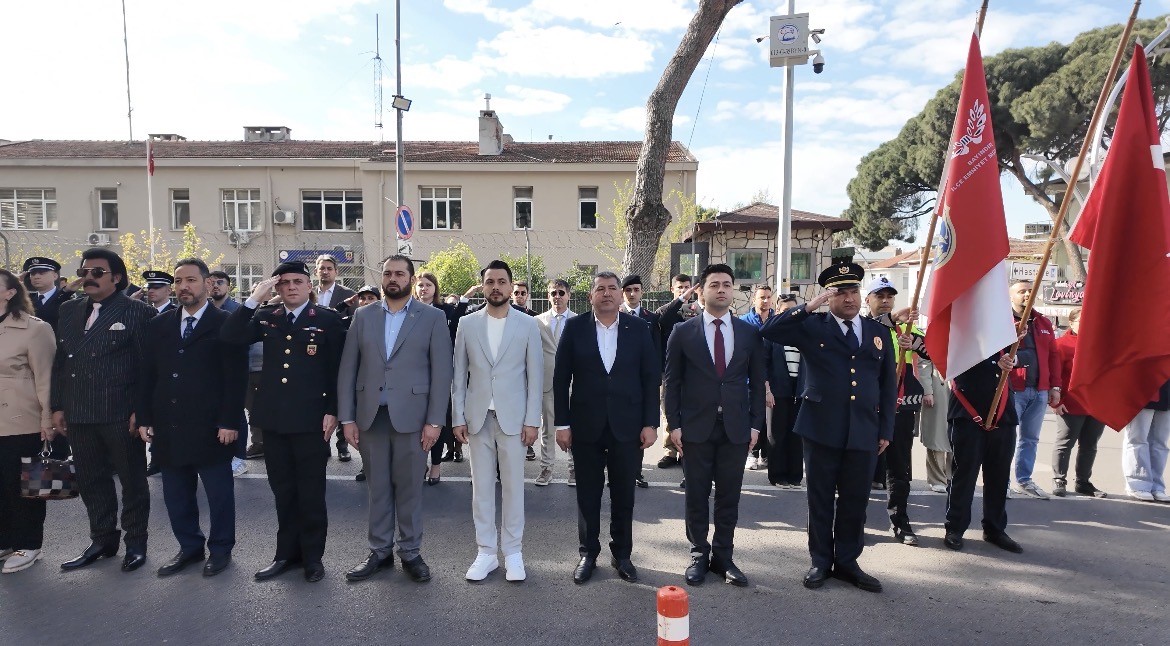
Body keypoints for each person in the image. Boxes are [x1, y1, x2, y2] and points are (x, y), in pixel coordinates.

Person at [760, 262, 896, 593]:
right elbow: (770, 331)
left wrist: (886, 429)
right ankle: (820, 561)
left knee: (855, 500)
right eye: (841, 293)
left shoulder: (877, 332)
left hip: (864, 428)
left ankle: (848, 562)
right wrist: (809, 306)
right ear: (829, 295)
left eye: (854, 292)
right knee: (820, 499)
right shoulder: (813, 325)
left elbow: (888, 384)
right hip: (821, 426)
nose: (849, 299)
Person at [221, 261, 346, 583]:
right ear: (276, 287)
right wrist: (252, 300)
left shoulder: (328, 321)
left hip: (310, 421)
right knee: (283, 492)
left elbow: (338, 371)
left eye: (297, 281)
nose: (291, 287)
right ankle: (285, 555)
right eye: (284, 282)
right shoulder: (266, 317)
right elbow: (230, 337)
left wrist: (334, 409)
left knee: (311, 494)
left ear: (309, 286)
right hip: (274, 420)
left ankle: (312, 558)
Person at [337, 255, 452, 584]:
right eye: (387, 273)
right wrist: (347, 418)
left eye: (399, 273)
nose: (392, 278)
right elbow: (348, 369)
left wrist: (435, 421)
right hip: (371, 417)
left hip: (413, 419)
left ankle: (411, 552)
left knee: (410, 489)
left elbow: (442, 372)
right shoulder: (363, 315)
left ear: (412, 279)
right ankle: (380, 550)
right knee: (378, 488)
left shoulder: (431, 317)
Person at [137, 259, 246, 577]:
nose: (184, 286)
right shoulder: (160, 324)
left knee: (219, 495)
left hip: (212, 427)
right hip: (170, 425)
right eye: (179, 281)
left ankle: (221, 549)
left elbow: (235, 379)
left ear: (208, 284)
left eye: (191, 280)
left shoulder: (225, 322)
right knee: (176, 495)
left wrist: (229, 421)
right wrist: (144, 417)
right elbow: (149, 374)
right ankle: (189, 547)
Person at [53, 248, 156, 573]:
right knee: (91, 480)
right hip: (79, 412)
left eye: (97, 272)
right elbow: (61, 361)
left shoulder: (137, 312)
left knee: (132, 481)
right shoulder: (69, 310)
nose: (88, 277)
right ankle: (102, 539)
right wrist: (58, 405)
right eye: (85, 271)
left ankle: (136, 542)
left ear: (116, 278)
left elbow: (147, 368)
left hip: (119, 413)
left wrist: (142, 411)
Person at [665, 263, 765, 587]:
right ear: (701, 291)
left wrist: (755, 426)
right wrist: (673, 425)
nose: (721, 289)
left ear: (732, 290)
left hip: (736, 429)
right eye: (714, 285)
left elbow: (758, 383)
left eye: (726, 284)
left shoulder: (749, 333)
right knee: (696, 495)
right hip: (695, 429)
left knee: (729, 497)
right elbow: (672, 381)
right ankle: (698, 554)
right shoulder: (683, 332)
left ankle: (724, 557)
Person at [556, 272, 659, 584]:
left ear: (621, 294)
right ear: (591, 296)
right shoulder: (575, 328)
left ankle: (622, 554)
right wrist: (562, 424)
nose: (606, 293)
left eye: (612, 288)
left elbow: (650, 378)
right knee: (587, 493)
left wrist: (651, 422)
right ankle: (588, 553)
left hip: (627, 427)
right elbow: (561, 380)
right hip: (585, 426)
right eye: (600, 289)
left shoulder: (639, 328)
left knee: (624, 493)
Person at [451, 260, 543, 582]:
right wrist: (457, 416)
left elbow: (536, 375)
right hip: (477, 419)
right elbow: (458, 374)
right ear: (484, 286)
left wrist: (533, 420)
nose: (496, 287)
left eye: (502, 281)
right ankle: (486, 552)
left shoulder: (528, 325)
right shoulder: (467, 324)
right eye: (490, 282)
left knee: (514, 488)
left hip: (514, 420)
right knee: (481, 490)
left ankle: (514, 553)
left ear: (510, 285)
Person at [863, 277, 927, 547]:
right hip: (866, 408)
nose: (886, 300)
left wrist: (913, 344)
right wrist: (890, 320)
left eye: (890, 296)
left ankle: (900, 522)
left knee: (899, 469)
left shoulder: (907, 328)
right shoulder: (863, 325)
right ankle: (852, 523)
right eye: (880, 295)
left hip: (901, 407)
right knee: (859, 468)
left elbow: (933, 351)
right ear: (868, 299)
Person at [0, 269, 57, 573]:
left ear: (10, 292)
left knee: (23, 486)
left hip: (22, 419)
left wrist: (47, 420)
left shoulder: (35, 329)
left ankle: (28, 543)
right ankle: (5, 540)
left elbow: (45, 378)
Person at [944, 351, 1024, 554]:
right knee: (964, 474)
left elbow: (1027, 353)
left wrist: (1013, 358)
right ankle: (955, 527)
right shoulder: (965, 327)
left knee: (999, 476)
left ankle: (995, 528)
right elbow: (950, 356)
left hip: (1003, 413)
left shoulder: (1006, 330)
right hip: (967, 411)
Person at [415, 271, 475, 479]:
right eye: (421, 285)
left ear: (435, 289)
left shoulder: (444, 310)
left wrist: (465, 298)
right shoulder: (409, 311)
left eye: (428, 285)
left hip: (440, 372)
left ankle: (436, 465)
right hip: (416, 374)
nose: (424, 289)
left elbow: (457, 320)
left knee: (436, 419)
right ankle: (420, 463)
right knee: (416, 421)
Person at [1007, 280, 1062, 499]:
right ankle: (1002, 482)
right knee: (1007, 438)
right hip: (1013, 389)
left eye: (1030, 290)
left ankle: (1024, 480)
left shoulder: (1043, 322)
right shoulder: (1003, 321)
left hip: (1039, 390)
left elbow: (1053, 356)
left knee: (1030, 438)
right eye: (1022, 291)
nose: (1027, 294)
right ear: (1011, 296)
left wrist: (1054, 386)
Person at [1049, 308, 1108, 498]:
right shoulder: (1061, 345)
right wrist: (1056, 403)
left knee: (1090, 445)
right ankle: (1059, 479)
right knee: (1065, 442)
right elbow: (1054, 376)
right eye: (1083, 320)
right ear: (1072, 322)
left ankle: (1083, 482)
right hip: (1070, 404)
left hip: (1096, 404)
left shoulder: (1101, 345)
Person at [655, 273, 700, 471]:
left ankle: (686, 450)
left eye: (687, 287)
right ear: (673, 289)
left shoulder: (697, 309)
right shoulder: (666, 310)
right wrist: (680, 300)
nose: (684, 290)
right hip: (669, 370)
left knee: (690, 409)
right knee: (669, 409)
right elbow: (660, 320)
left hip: (693, 370)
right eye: (680, 287)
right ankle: (670, 451)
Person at [535, 279, 576, 486]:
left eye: (561, 293)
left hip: (574, 383)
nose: (557, 297)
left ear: (568, 295)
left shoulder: (579, 321)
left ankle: (574, 469)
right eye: (553, 293)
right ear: (548, 296)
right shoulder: (538, 321)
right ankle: (546, 469)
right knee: (548, 428)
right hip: (547, 382)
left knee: (575, 426)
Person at [314, 254, 355, 463]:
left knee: (338, 396)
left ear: (336, 272)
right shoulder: (310, 294)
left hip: (339, 352)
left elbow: (354, 323)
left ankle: (342, 445)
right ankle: (323, 443)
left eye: (329, 268)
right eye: (322, 268)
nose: (326, 271)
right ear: (316, 271)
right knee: (320, 400)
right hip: (315, 355)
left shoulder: (347, 294)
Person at [619, 274, 659, 489]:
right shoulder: (613, 315)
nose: (632, 294)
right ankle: (617, 472)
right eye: (628, 290)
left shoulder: (650, 318)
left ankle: (636, 472)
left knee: (639, 428)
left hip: (641, 381)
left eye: (636, 289)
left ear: (642, 292)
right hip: (619, 381)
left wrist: (655, 376)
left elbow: (655, 350)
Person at [740, 284, 776, 471]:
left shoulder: (775, 321)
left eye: (768, 297)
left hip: (772, 377)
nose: (765, 301)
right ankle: (751, 454)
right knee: (752, 416)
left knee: (768, 419)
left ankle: (766, 455)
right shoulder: (744, 321)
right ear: (754, 299)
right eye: (762, 297)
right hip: (748, 378)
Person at [1121, 380, 1170, 502]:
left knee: (1160, 443)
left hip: (1166, 391)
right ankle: (1137, 484)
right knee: (1138, 439)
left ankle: (1156, 486)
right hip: (1143, 390)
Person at [917, 356, 951, 494]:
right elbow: (924, 362)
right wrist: (927, 390)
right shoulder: (934, 335)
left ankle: (951, 476)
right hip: (938, 388)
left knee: (957, 435)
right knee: (936, 435)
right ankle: (937, 479)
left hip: (959, 388)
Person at [23, 257, 72, 330]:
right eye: (33, 273)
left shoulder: (66, 299)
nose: (36, 277)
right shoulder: (26, 300)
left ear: (55, 276)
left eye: (42, 273)